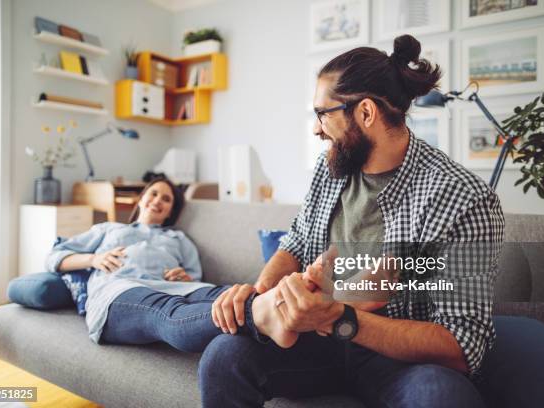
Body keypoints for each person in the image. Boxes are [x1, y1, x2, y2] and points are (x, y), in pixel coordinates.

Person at [205, 34, 504, 407]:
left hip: (396, 359)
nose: (316, 129)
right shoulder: (330, 168)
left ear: (365, 113)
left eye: (322, 114)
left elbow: (462, 346)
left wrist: (336, 315)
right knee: (224, 356)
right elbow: (296, 243)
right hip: (316, 346)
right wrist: (266, 296)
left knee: (440, 396)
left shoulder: (464, 197)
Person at [45, 177, 300, 351]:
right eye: (153, 194)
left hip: (175, 288)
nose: (157, 201)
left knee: (223, 293)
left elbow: (195, 277)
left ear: (170, 211)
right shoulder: (108, 229)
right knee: (168, 311)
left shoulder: (178, 239)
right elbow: (55, 256)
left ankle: (287, 305)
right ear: (141, 199)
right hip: (119, 290)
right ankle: (263, 315)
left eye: (165, 199)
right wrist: (93, 259)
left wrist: (184, 277)